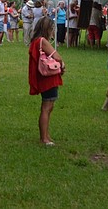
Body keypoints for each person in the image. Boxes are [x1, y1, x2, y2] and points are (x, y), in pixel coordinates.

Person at [28, 16, 65, 146]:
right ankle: (44, 137)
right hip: (48, 78)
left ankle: (45, 135)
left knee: (47, 106)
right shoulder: (43, 41)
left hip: (41, 76)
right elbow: (57, 57)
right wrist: (62, 65)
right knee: (47, 107)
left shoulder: (35, 41)